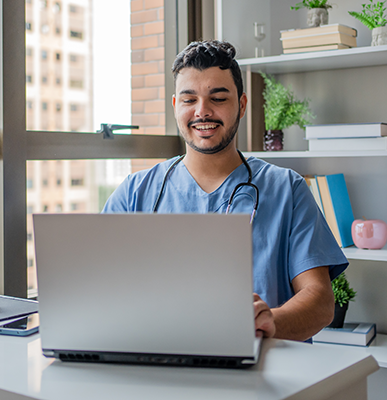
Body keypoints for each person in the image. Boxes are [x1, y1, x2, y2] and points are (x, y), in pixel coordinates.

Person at [102, 40, 348, 341]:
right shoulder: (134, 193)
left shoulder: (287, 189)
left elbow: (320, 302)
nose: (202, 111)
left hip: (265, 370)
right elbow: (99, 286)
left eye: (218, 98)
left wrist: (270, 322)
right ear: (175, 106)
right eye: (189, 100)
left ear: (242, 105)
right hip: (159, 361)